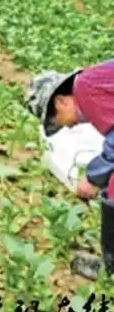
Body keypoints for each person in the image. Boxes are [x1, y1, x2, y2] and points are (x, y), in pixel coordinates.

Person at [25, 60, 114, 280]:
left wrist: (94, 178)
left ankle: (111, 268)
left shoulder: (86, 89)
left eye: (56, 120)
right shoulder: (93, 84)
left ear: (61, 101)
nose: (67, 126)